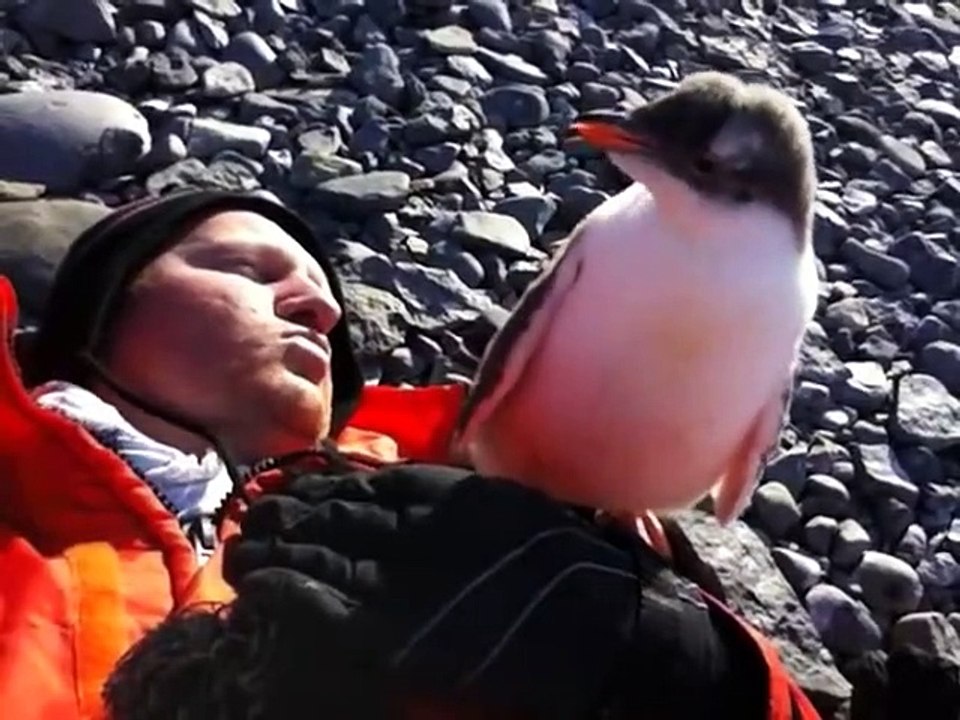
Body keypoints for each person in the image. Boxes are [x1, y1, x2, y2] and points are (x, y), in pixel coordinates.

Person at [0, 188, 820, 720]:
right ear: (98, 323)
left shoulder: (501, 510)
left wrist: (685, 668)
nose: (321, 304)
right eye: (248, 269)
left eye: (322, 294)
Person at [0, 189, 465, 720]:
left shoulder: (458, 517)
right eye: (251, 269)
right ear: (106, 306)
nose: (326, 311)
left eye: (328, 305)